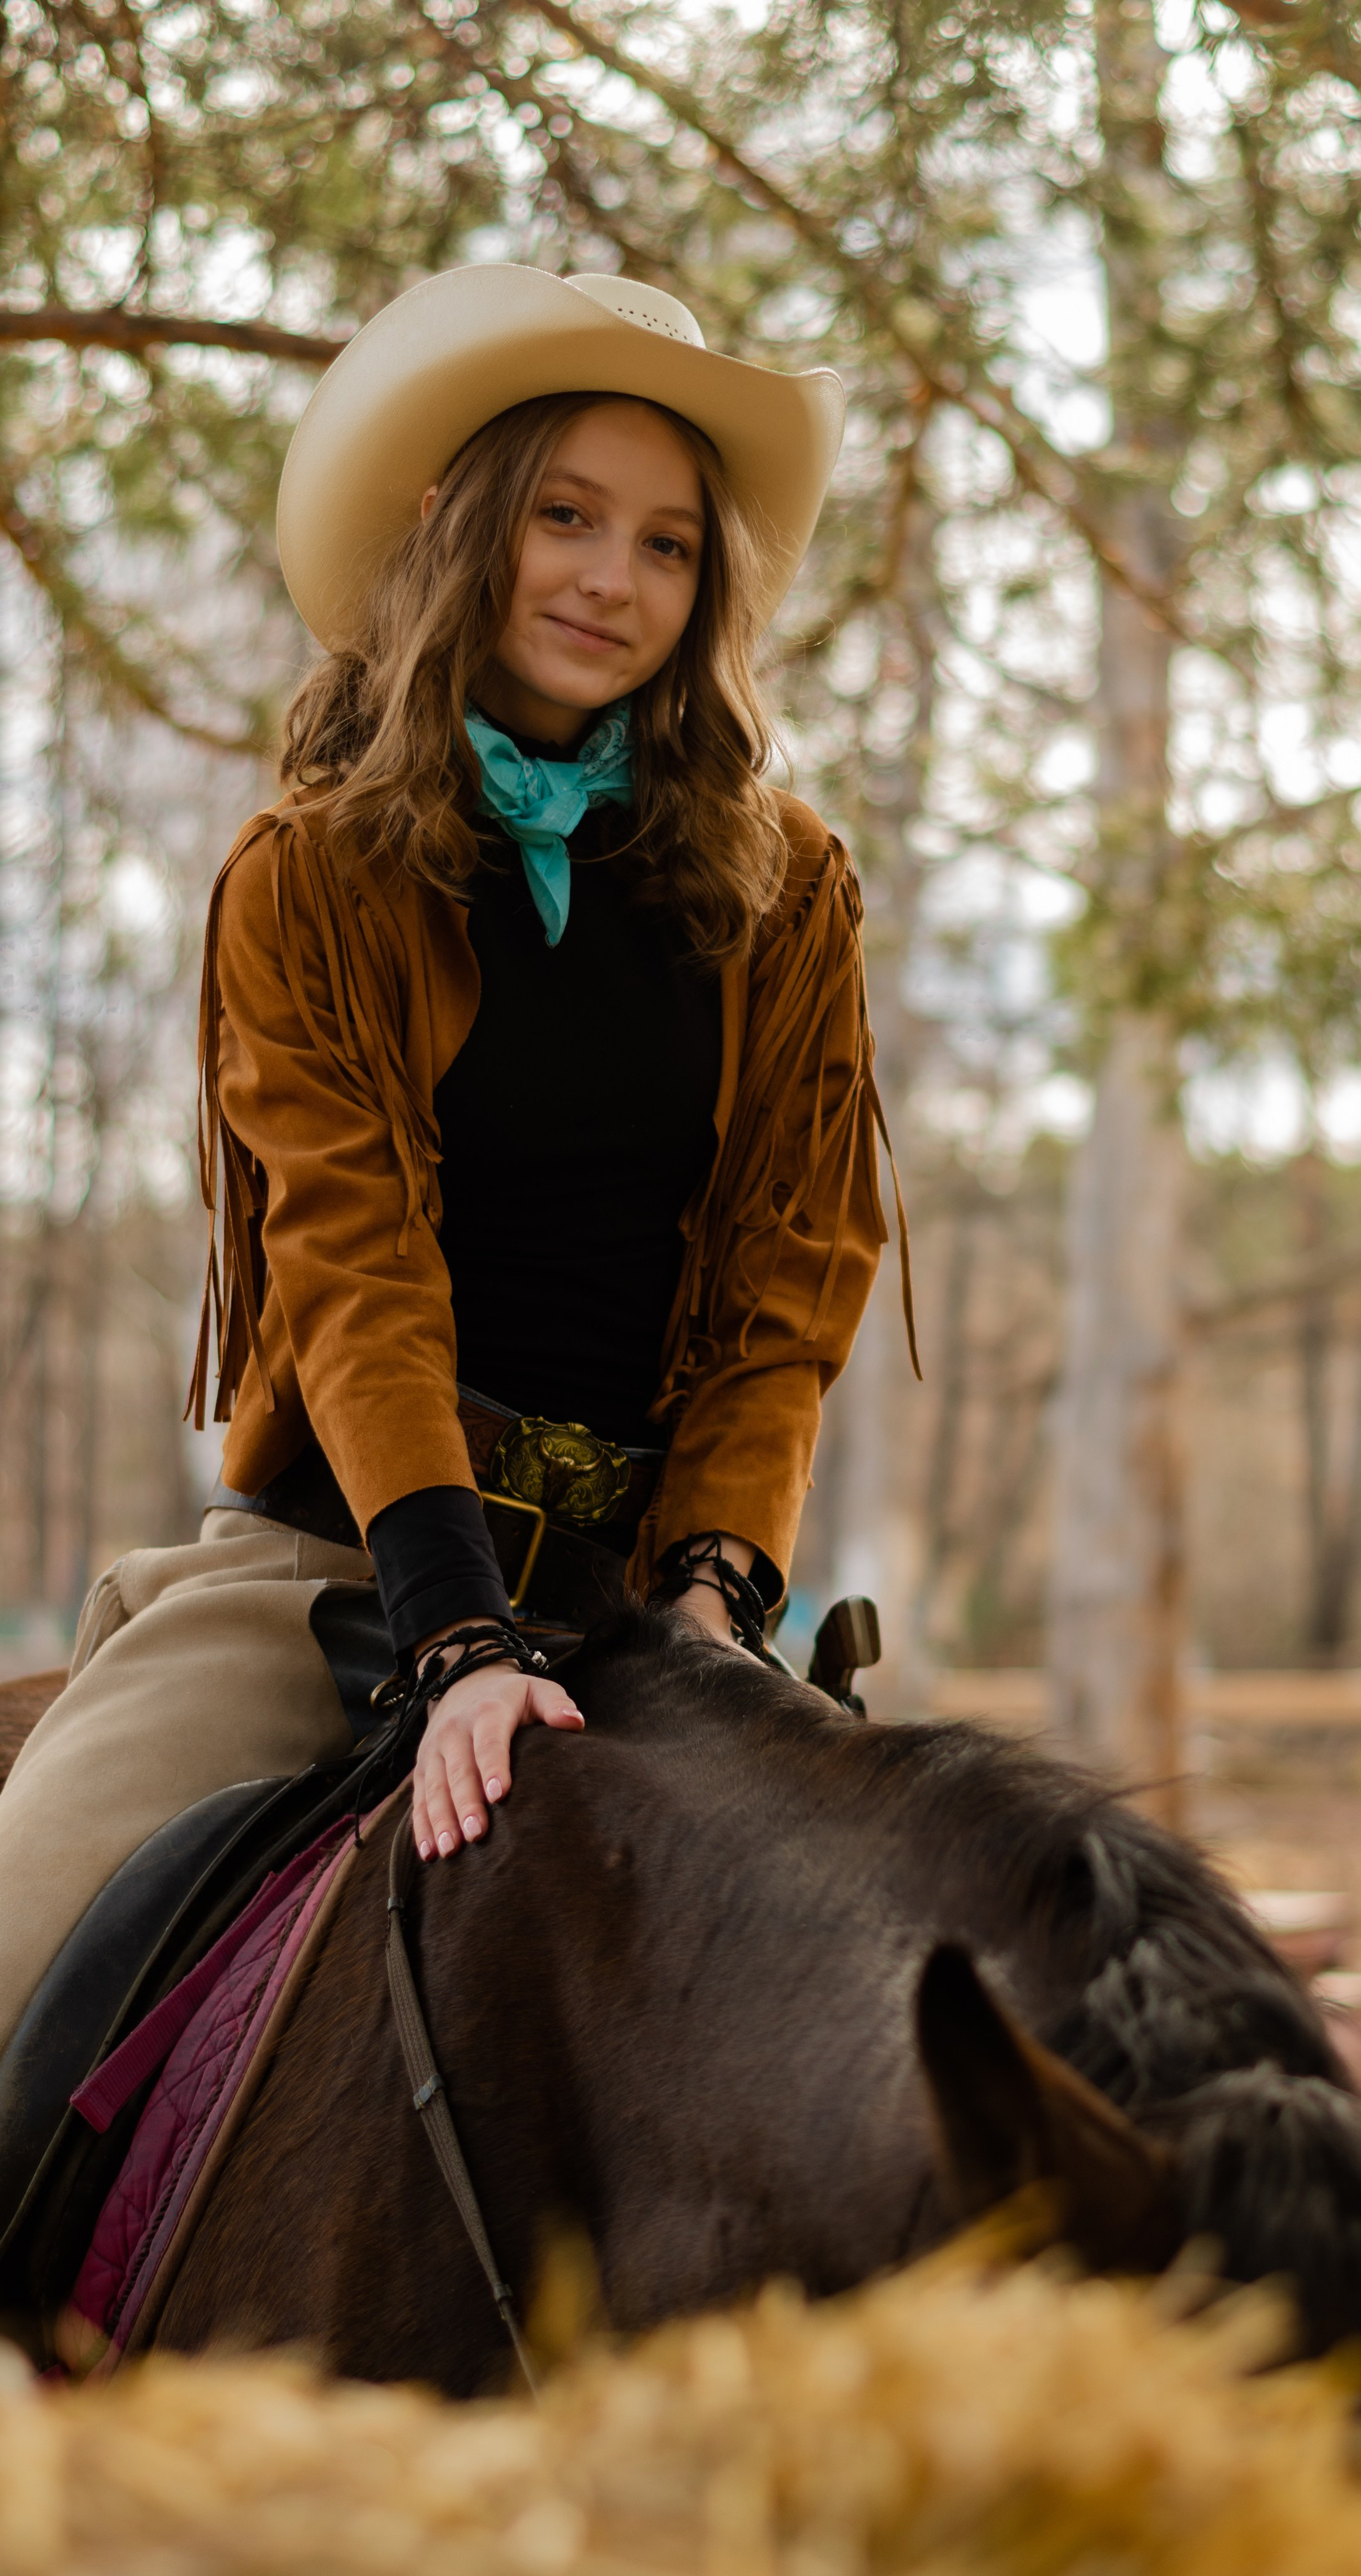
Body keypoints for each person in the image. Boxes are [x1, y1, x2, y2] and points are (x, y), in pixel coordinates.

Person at [0, 266, 906, 2057]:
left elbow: (792, 1286)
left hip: (659, 1593)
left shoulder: (793, 887)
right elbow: (352, 1268)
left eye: (664, 544)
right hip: (346, 1562)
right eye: (565, 517)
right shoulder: (310, 874)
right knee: (13, 1941)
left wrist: (720, 1598)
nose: (610, 579)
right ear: (459, 526)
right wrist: (457, 1644)